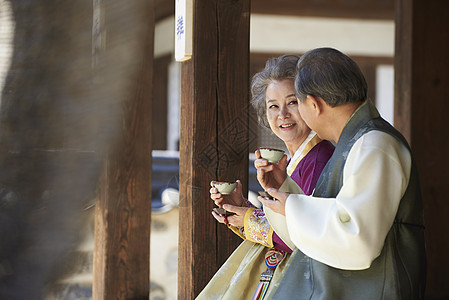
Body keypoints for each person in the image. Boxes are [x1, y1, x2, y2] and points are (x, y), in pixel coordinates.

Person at [256, 47, 426, 299]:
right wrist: (285, 189)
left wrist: (292, 205)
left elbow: (357, 239)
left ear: (313, 104)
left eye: (295, 103)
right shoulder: (358, 142)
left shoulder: (375, 145)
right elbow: (324, 233)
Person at [196, 55, 334, 300]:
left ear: (312, 104)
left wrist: (247, 219)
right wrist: (240, 207)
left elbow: (306, 239)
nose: (282, 114)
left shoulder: (321, 159)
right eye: (273, 106)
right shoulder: (293, 162)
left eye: (292, 102)